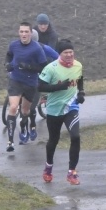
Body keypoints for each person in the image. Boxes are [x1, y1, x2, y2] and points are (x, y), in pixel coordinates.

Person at [38, 39, 85, 185]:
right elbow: (40, 87)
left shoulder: (78, 65)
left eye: (71, 52)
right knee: (54, 140)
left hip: (71, 107)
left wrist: (81, 93)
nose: (70, 55)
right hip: (54, 108)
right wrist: (59, 87)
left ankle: (72, 172)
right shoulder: (51, 68)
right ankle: (48, 168)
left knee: (75, 137)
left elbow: (80, 79)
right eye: (66, 52)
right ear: (60, 53)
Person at [4, 22, 48, 152]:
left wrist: (29, 67)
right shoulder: (13, 45)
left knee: (25, 112)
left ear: (30, 33)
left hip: (30, 83)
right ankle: (10, 142)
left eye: (26, 32)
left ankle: (27, 126)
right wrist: (7, 64)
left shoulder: (36, 48)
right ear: (19, 33)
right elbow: (9, 55)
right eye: (21, 32)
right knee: (12, 107)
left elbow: (43, 67)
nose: (23, 34)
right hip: (15, 81)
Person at [27, 13, 61, 139]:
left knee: (45, 69)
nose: (42, 27)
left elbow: (49, 50)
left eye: (45, 24)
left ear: (48, 24)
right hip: (36, 54)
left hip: (48, 55)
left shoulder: (52, 35)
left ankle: (45, 93)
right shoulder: (34, 31)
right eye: (40, 24)